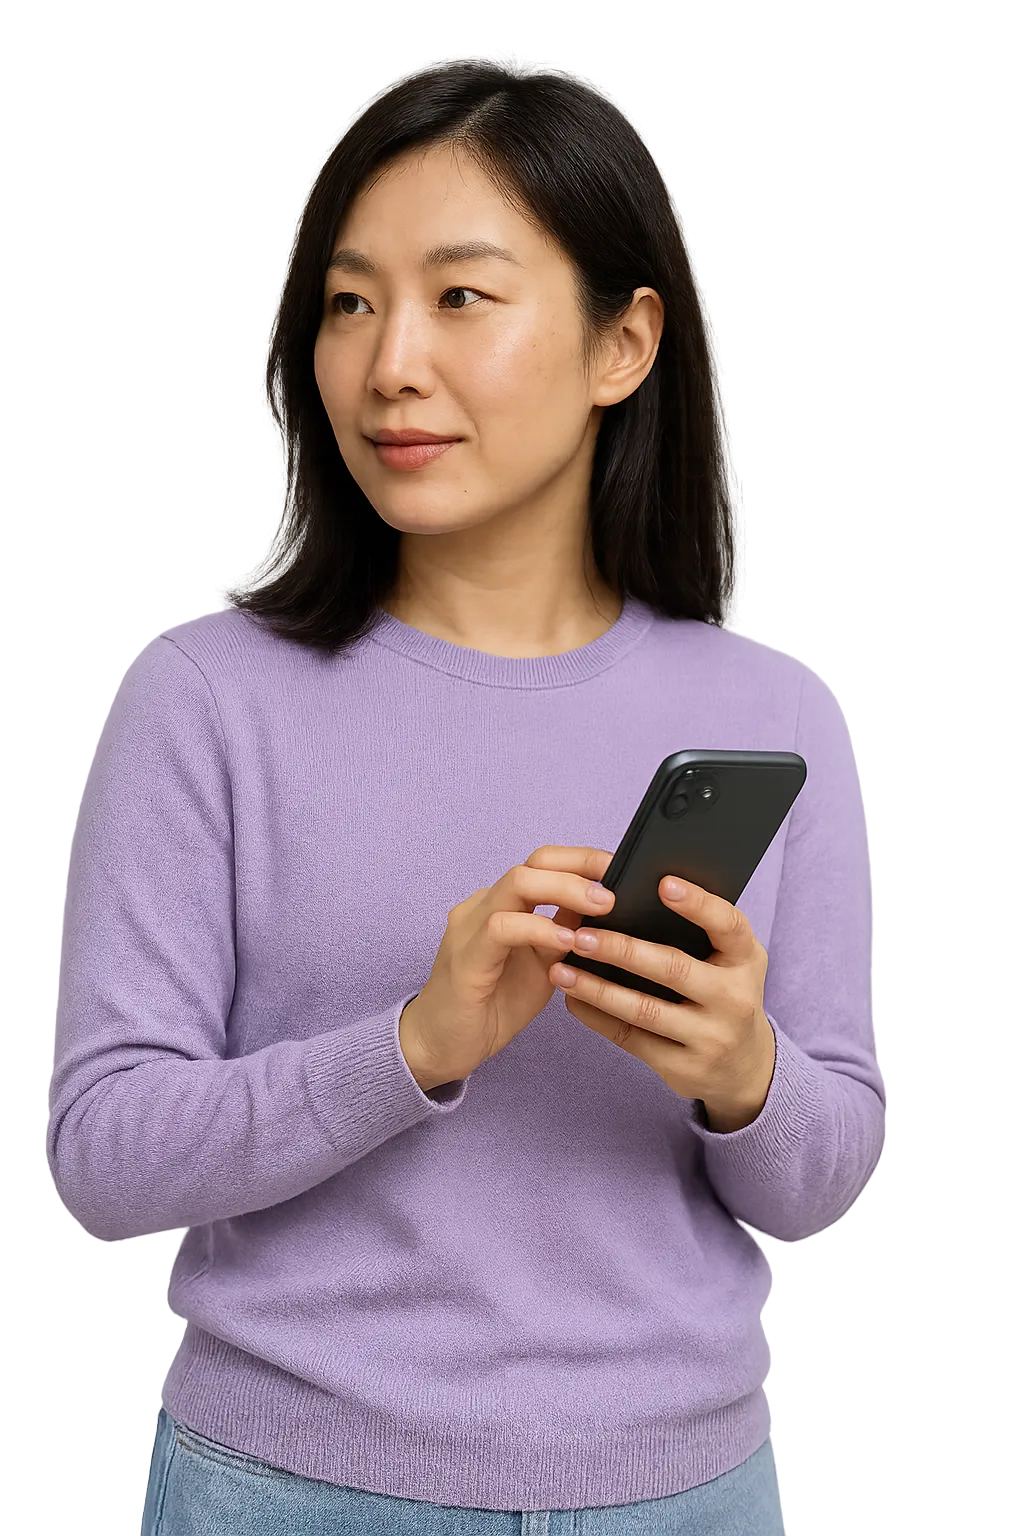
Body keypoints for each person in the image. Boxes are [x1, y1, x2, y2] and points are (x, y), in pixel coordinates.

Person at [47, 57, 886, 1536]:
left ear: (623, 344)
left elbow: (818, 1184)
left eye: (460, 296)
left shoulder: (772, 715)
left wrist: (742, 1071)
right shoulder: (204, 699)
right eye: (349, 302)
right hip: (288, 1492)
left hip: (682, 1500)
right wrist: (415, 1045)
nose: (390, 365)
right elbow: (108, 1156)